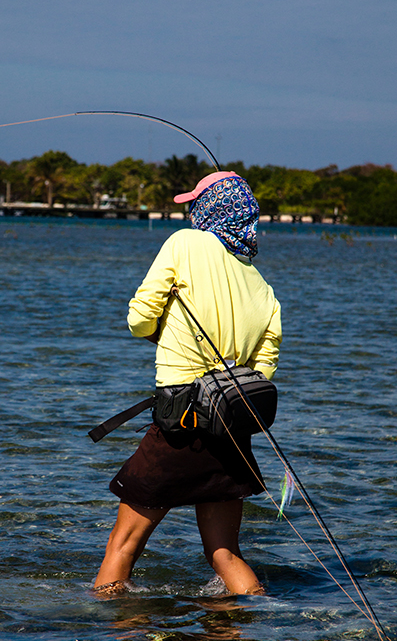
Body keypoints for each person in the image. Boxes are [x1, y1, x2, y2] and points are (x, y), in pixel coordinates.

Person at [94, 172, 282, 596]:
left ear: (211, 209)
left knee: (122, 545)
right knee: (224, 553)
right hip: (231, 431)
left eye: (196, 204)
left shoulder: (185, 242)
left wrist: (161, 334)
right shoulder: (265, 290)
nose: (190, 213)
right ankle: (251, 630)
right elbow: (263, 370)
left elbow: (138, 318)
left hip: (180, 425)